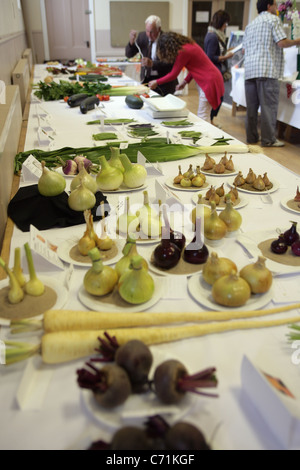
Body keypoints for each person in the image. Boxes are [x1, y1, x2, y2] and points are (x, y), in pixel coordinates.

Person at [243, 0, 300, 147]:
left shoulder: (250, 25)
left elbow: (244, 50)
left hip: (250, 71)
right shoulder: (273, 19)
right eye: (275, 5)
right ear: (269, 6)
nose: (276, 8)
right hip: (267, 70)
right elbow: (281, 42)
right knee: (268, 106)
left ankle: (251, 138)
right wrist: (297, 41)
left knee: (252, 108)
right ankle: (268, 139)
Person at [148, 32, 224, 122]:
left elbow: (173, 74)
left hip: (209, 82)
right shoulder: (190, 45)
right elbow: (197, 67)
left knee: (203, 116)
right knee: (205, 114)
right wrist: (185, 82)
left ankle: (206, 135)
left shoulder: (183, 51)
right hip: (213, 78)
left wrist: (156, 82)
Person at [125, 15, 178, 96]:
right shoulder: (142, 36)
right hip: (147, 81)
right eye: (147, 31)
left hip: (164, 83)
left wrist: (152, 63)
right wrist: (131, 42)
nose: (149, 34)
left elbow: (170, 64)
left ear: (159, 29)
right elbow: (129, 55)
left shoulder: (167, 40)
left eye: (152, 32)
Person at [204, 10, 234, 126]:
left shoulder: (215, 35)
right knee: (217, 98)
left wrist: (230, 50)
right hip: (214, 73)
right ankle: (210, 120)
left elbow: (219, 51)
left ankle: (211, 120)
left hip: (217, 72)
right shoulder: (213, 37)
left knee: (218, 98)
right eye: (226, 23)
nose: (226, 26)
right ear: (222, 23)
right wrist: (226, 57)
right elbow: (211, 57)